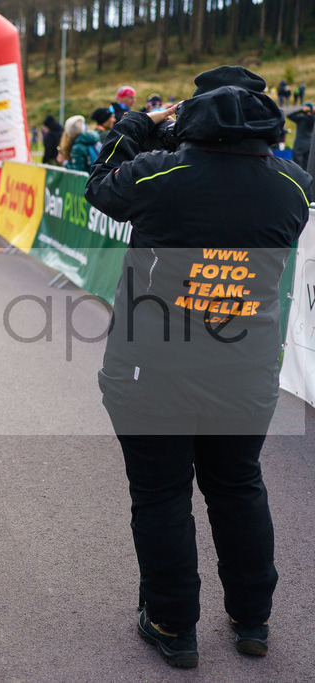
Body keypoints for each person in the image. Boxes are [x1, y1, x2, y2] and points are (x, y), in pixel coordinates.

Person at [85, 65, 311, 669]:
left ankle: (172, 622)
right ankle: (252, 618)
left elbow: (100, 186)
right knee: (238, 486)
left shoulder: (164, 175)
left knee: (160, 496)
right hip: (247, 370)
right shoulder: (292, 185)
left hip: (151, 370)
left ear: (195, 116)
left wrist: (138, 125)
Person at [287, 102, 313, 171]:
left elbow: (289, 115)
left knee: (297, 164)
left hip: (300, 143)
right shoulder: (313, 119)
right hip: (310, 144)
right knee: (307, 165)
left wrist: (301, 110)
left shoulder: (301, 119)